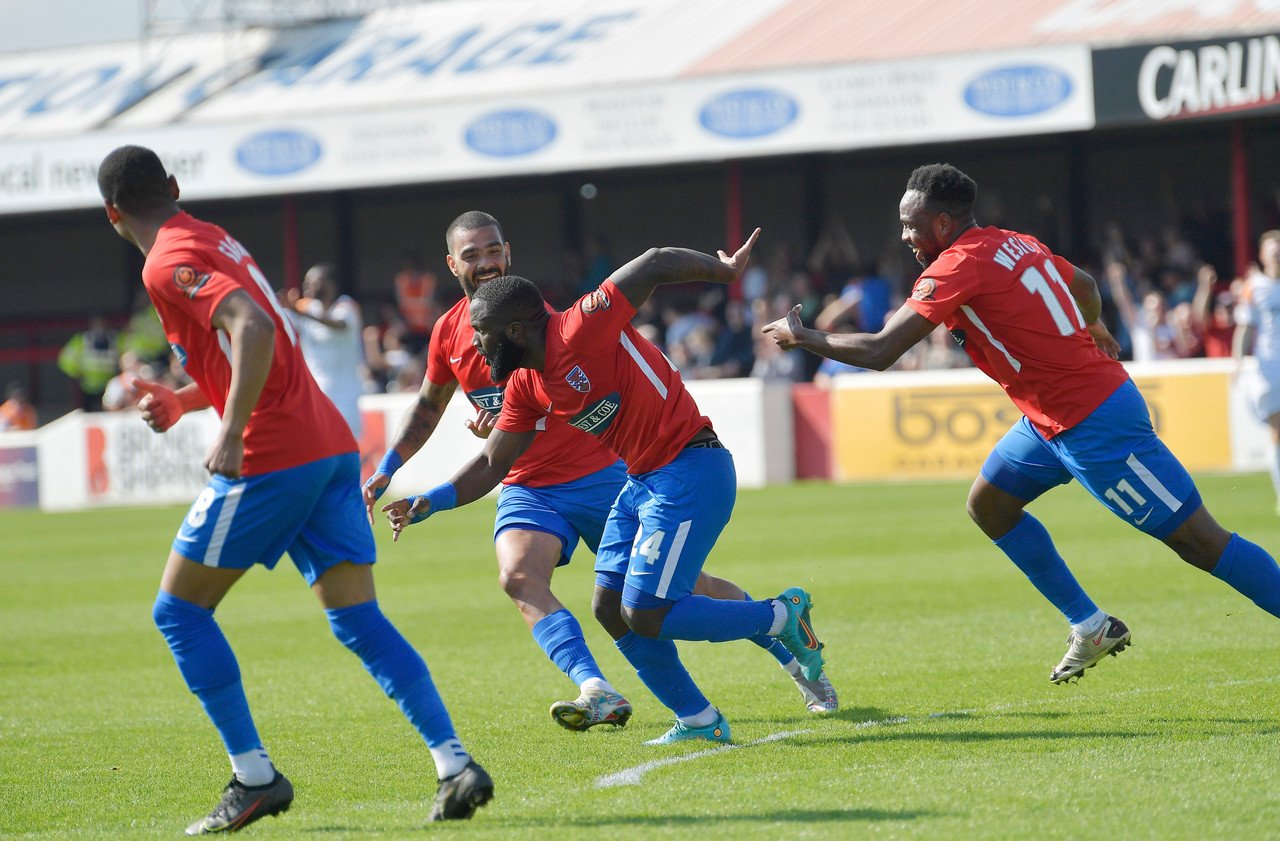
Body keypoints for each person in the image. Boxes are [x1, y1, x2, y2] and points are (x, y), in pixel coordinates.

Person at [95, 144, 491, 833]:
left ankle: (254, 777)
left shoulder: (163, 261)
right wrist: (189, 402)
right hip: (329, 447)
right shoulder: (212, 236)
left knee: (179, 613)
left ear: (111, 215)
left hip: (273, 457)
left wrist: (232, 430)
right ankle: (454, 763)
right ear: (175, 186)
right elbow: (256, 336)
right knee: (358, 620)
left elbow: (250, 329)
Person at [764, 163, 1280, 684]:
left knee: (1200, 542)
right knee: (989, 504)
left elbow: (879, 350)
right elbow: (1085, 284)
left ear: (942, 225)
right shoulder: (1016, 242)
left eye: (910, 225)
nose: (905, 236)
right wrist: (1093, 323)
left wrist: (803, 336)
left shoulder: (954, 267)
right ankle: (1090, 624)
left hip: (1093, 421)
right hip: (1049, 421)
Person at [363, 212, 837, 734]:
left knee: (654, 608)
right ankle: (695, 717)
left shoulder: (581, 325)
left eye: (482, 334)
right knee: (610, 606)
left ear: (514, 328)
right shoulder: (524, 384)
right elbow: (494, 462)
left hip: (685, 468)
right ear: (452, 263)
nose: (474, 344)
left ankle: (780, 619)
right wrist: (427, 500)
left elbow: (653, 263)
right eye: (470, 255)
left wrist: (722, 273)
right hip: (633, 484)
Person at [284, 263, 365, 438]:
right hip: (315, 400)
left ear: (330, 284)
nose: (306, 286)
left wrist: (299, 312)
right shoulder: (307, 309)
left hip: (345, 400)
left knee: (347, 452)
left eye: (313, 281)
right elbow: (280, 323)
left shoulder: (346, 306)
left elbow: (339, 324)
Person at [1233, 229, 1280, 512]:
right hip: (1271, 368)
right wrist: (1237, 361)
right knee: (1278, 430)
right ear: (1262, 255)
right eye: (1272, 250)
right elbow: (1245, 327)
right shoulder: (1255, 286)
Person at [57, 314, 118, 411]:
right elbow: (65, 359)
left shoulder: (114, 340)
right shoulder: (82, 340)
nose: (100, 328)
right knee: (88, 416)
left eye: (102, 325)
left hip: (109, 387)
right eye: (96, 325)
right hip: (88, 387)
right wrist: (77, 373)